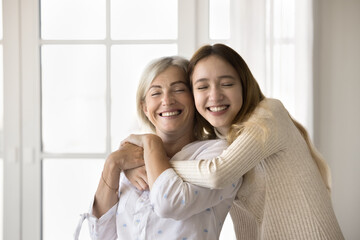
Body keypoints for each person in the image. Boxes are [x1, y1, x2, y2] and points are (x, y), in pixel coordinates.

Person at [124, 44, 344, 240]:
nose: (215, 95)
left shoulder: (268, 114)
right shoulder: (223, 141)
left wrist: (151, 159)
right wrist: (145, 162)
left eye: (226, 84)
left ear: (244, 85)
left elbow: (217, 173)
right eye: (202, 87)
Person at [74, 56, 241, 240]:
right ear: (144, 107)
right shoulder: (130, 157)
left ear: (194, 98)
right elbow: (101, 235)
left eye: (178, 89)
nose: (167, 100)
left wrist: (152, 143)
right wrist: (113, 164)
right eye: (155, 93)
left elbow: (169, 203)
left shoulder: (218, 154)